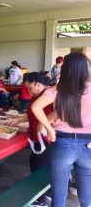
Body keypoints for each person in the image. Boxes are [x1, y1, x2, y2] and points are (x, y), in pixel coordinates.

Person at [31, 52, 91, 207]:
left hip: (62, 143)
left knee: (59, 194)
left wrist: (50, 130)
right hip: (88, 146)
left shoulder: (58, 89)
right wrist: (86, 57)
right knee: (87, 197)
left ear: (65, 68)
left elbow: (35, 107)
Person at [10, 72, 53, 207]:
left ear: (37, 84)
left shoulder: (49, 94)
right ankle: (49, 194)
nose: (28, 91)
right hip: (38, 137)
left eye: (30, 88)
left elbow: (59, 113)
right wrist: (17, 120)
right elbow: (30, 113)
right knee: (38, 165)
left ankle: (42, 199)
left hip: (47, 138)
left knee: (39, 166)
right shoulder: (38, 96)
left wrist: (45, 125)